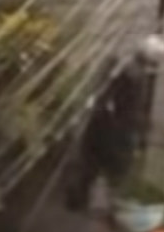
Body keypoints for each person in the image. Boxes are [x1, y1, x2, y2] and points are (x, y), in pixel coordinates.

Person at [66, 48, 155, 213]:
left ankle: (80, 199)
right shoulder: (133, 79)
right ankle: (110, 206)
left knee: (90, 168)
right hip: (113, 131)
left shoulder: (118, 77)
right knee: (112, 171)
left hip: (103, 128)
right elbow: (130, 109)